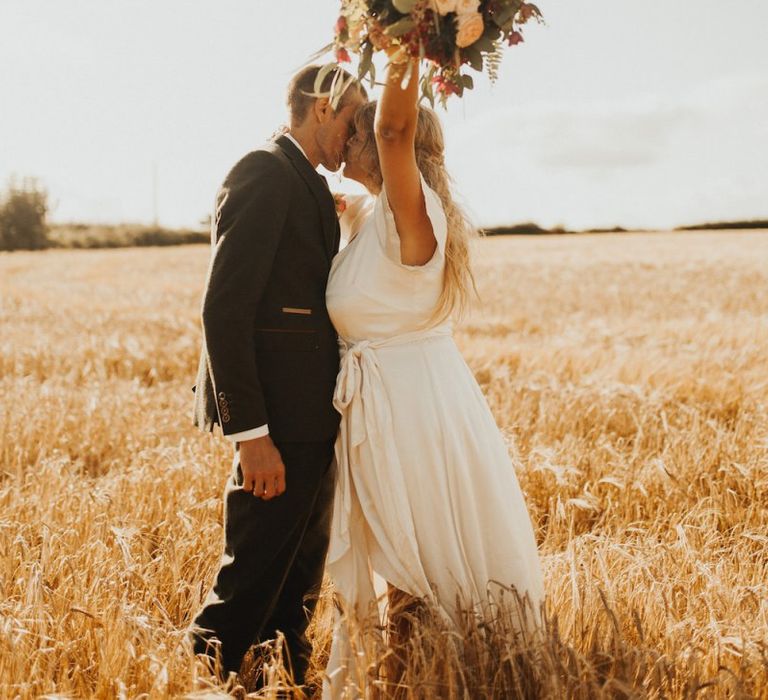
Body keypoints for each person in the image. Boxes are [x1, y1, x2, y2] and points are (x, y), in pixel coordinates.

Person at [322, 53, 545, 695]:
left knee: (415, 559)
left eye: (359, 132)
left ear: (397, 145)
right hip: (389, 400)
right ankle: (416, 678)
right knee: (404, 560)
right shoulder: (371, 218)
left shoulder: (409, 213)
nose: (350, 141)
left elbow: (393, 130)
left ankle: (422, 680)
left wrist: (407, 36)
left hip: (413, 411)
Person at [189, 64, 366, 690]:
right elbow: (224, 308)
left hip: (312, 422)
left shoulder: (306, 182)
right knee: (250, 583)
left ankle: (283, 684)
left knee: (296, 587)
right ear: (322, 107)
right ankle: (206, 682)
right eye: (352, 117)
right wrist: (251, 434)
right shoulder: (262, 171)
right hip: (276, 427)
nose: (357, 133)